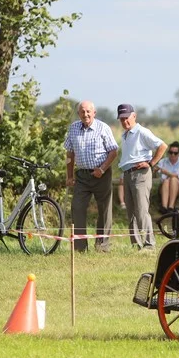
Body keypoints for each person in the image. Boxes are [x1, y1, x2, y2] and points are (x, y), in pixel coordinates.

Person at [64, 100, 118, 253]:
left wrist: (102, 169)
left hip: (102, 174)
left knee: (104, 210)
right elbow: (69, 153)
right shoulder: (73, 128)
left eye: (88, 111)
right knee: (77, 207)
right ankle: (80, 248)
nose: (85, 114)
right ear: (78, 113)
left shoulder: (103, 128)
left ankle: (102, 246)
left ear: (94, 113)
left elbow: (113, 151)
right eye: (82, 111)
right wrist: (69, 176)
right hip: (82, 175)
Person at [117, 103, 166, 251]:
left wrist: (151, 164)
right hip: (127, 173)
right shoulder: (125, 135)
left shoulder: (142, 132)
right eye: (121, 119)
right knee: (131, 211)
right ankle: (136, 244)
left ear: (134, 116)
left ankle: (149, 244)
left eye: (127, 118)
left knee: (141, 210)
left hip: (140, 174)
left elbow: (162, 146)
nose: (125, 121)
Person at [156, 141, 179, 214]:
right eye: (171, 152)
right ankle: (164, 207)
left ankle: (171, 206)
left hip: (178, 187)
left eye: (175, 153)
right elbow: (156, 172)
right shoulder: (163, 161)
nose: (173, 155)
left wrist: (167, 173)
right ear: (168, 152)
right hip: (164, 187)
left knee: (173, 179)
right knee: (166, 181)